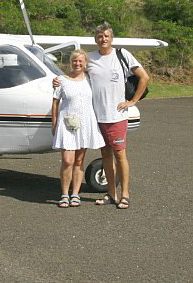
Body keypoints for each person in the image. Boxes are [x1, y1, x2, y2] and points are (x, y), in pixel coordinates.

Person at [53, 22, 150, 209]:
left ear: (111, 38)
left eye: (106, 36)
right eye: (99, 36)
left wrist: (133, 101)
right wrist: (58, 80)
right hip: (97, 118)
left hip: (117, 116)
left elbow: (144, 77)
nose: (103, 39)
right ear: (95, 39)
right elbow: (76, 72)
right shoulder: (90, 58)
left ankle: (125, 194)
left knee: (120, 155)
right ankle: (111, 193)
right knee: (105, 155)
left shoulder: (122, 55)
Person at [52, 49, 106, 208]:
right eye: (75, 61)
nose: (77, 63)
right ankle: (64, 194)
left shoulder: (90, 79)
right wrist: (54, 122)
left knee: (79, 160)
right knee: (67, 160)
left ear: (85, 63)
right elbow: (55, 102)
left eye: (80, 61)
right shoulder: (61, 80)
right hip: (67, 124)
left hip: (85, 124)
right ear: (71, 62)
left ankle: (75, 194)